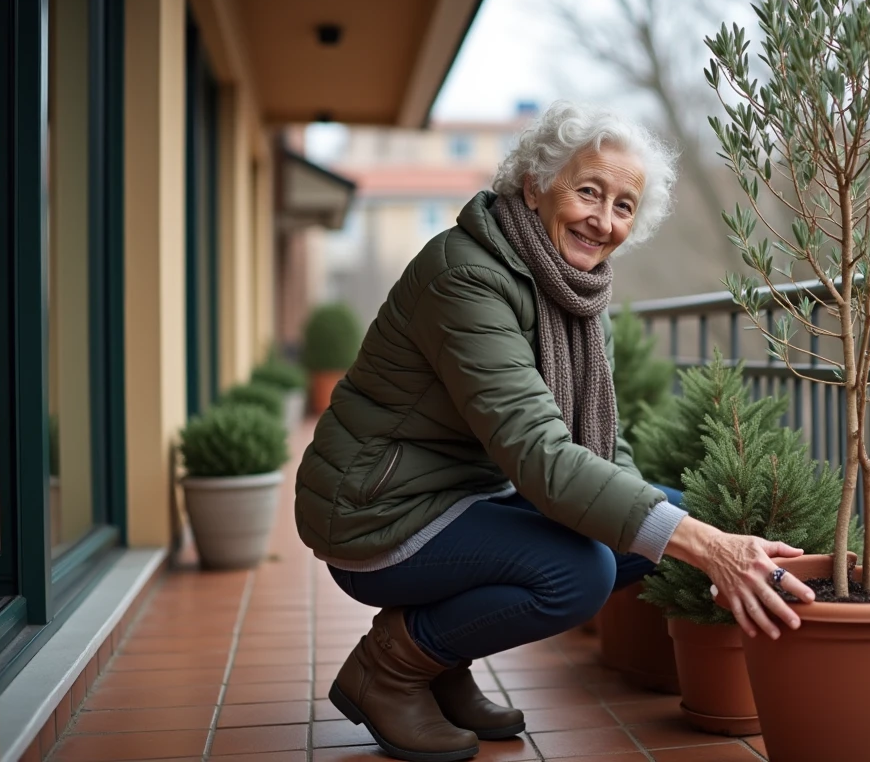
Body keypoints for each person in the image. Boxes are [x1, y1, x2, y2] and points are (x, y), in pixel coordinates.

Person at [293, 101, 816, 762]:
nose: (604, 219)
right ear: (536, 186)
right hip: (378, 509)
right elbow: (539, 452)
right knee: (579, 572)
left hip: (462, 491)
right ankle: (389, 667)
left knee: (661, 521)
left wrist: (689, 533)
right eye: (589, 191)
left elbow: (602, 442)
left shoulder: (575, 288)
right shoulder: (468, 275)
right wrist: (708, 549)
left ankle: (441, 660)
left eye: (624, 206)